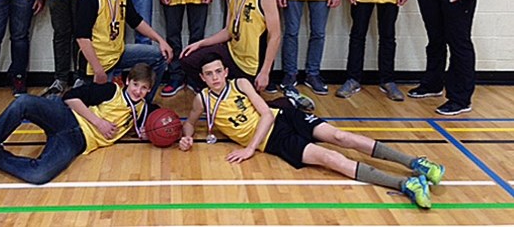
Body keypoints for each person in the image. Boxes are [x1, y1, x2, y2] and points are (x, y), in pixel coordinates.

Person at [179, 53, 445, 209]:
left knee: (342, 137)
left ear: (225, 71)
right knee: (331, 159)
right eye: (209, 74)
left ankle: (416, 163)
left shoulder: (240, 84)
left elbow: (264, 114)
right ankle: (406, 184)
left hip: (282, 118)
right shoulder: (202, 99)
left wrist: (249, 148)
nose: (215, 77)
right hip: (275, 141)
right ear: (202, 78)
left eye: (218, 72)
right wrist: (187, 135)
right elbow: (190, 120)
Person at [0, 63, 156, 184]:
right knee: (23, 103)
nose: (139, 91)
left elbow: (166, 123)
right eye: (136, 84)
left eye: (145, 88)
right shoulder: (111, 90)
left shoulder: (145, 109)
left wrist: (162, 134)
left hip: (76, 142)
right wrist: (98, 121)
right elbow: (70, 97)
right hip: (68, 117)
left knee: (39, 176)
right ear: (128, 81)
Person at [180, 0, 314, 112]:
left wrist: (265, 72)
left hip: (250, 66)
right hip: (231, 55)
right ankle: (219, 98)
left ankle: (289, 102)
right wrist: (200, 44)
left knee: (249, 110)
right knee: (188, 59)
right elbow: (228, 32)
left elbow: (275, 36)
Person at [76, 0, 173, 101]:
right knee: (101, 111)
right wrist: (98, 70)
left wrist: (160, 40)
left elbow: (136, 21)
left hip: (118, 54)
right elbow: (82, 38)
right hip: (98, 62)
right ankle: (83, 88)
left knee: (159, 56)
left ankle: (141, 106)